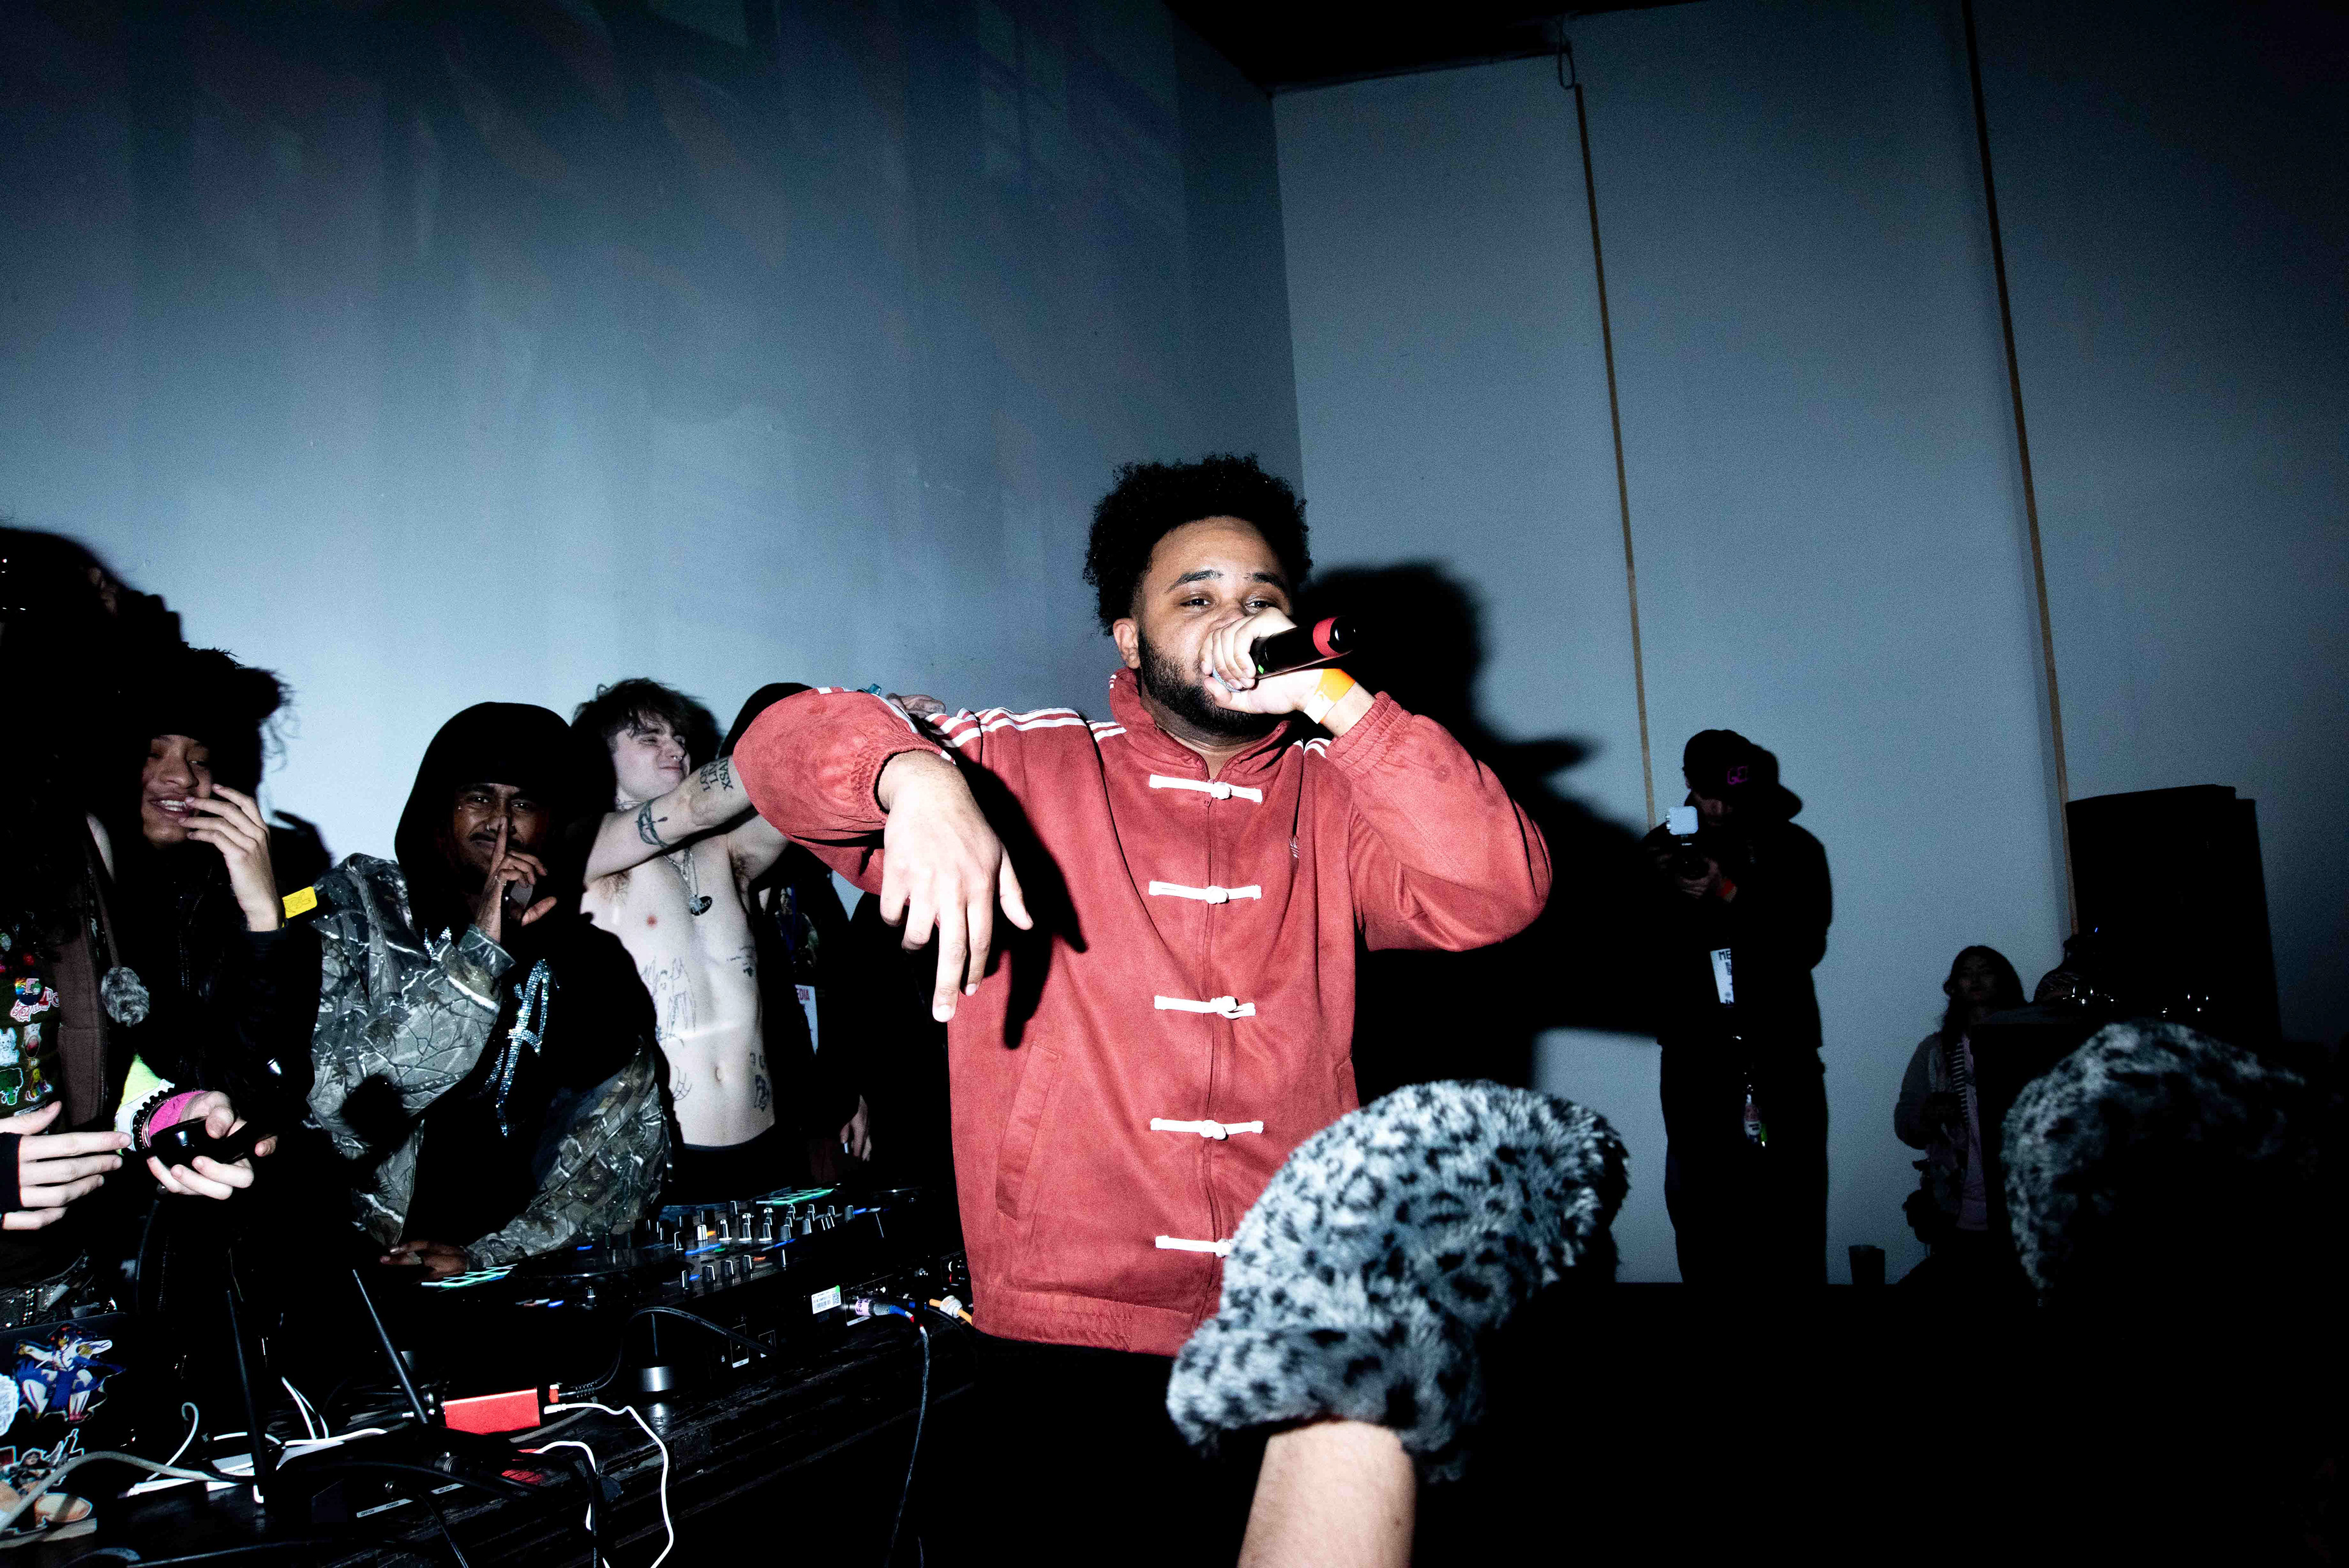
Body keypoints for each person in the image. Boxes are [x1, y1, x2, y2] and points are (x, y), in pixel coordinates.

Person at [599, 454, 1551, 1556]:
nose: (1237, 618)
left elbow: (1497, 890)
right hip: (1071, 1333)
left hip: (1298, 1318)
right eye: (1196, 597)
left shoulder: (1339, 801)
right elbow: (781, 743)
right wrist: (916, 779)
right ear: (1130, 640)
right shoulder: (1027, 763)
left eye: (1262, 597)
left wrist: (1342, 704)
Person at [304, 703, 667, 1276]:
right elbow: (335, 1113)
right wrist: (481, 954)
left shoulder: (588, 960)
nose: (501, 821)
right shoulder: (359, 914)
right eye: (478, 797)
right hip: (358, 1273)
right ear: (438, 809)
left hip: (512, 1272)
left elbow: (622, 1155)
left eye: (523, 804)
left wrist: (489, 1257)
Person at [573, 679, 848, 1202]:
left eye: (679, 738)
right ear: (600, 757)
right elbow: (691, 805)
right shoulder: (585, 846)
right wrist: (820, 728)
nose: (675, 749)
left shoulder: (724, 852)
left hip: (766, 1145)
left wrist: (865, 719)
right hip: (659, 1157)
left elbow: (793, 802)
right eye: (650, 738)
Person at [1639, 729, 1831, 1285]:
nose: (1720, 808)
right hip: (1696, 1055)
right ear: (1689, 784)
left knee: (1790, 1200)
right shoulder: (1658, 850)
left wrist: (1729, 892)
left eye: (1731, 795)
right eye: (1708, 794)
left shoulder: (1793, 847)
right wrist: (1666, 895)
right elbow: (1630, 949)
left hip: (1780, 1050)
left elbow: (1804, 944)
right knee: (1702, 1205)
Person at [1893, 945, 2024, 1287]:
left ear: (2003, 980)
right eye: (1967, 973)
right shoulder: (1934, 1052)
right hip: (1954, 1211)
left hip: (2020, 1210)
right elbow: (1905, 1123)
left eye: (1986, 971)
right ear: (1954, 986)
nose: (1976, 979)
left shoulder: (2026, 1043)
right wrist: (1928, 1115)